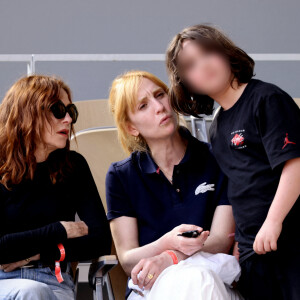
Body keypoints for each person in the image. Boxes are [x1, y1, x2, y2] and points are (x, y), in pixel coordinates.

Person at [166, 24, 300, 300]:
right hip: (254, 254)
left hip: (290, 243)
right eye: (191, 64)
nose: (203, 65)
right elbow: (240, 188)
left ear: (225, 52)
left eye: (207, 53)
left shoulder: (267, 99)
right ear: (186, 82)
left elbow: (295, 165)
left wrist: (273, 223)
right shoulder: (217, 127)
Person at [106, 70, 242, 299]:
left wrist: (170, 257)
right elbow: (128, 259)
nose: (159, 106)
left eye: (160, 95)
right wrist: (166, 243)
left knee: (198, 279)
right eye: (143, 106)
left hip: (214, 278)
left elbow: (220, 241)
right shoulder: (121, 175)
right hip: (152, 287)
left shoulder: (217, 159)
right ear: (132, 128)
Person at [0, 75, 111, 300]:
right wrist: (60, 230)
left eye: (71, 111)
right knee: (30, 292)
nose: (69, 119)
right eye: (58, 109)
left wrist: (40, 252)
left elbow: (100, 241)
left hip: (54, 281)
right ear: (27, 112)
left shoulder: (73, 166)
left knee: (35, 292)